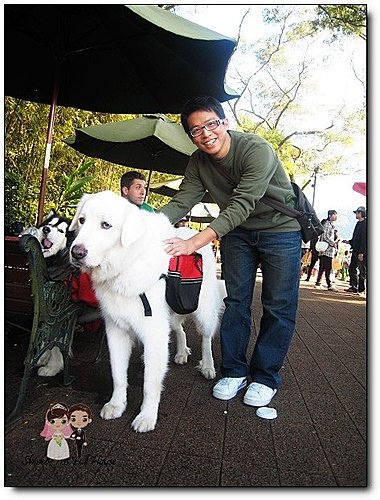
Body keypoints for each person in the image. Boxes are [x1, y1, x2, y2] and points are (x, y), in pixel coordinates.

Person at [159, 96, 301, 407]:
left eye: (211, 124)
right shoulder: (198, 162)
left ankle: (265, 376)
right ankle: (234, 370)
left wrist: (194, 243)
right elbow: (182, 202)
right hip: (237, 235)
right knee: (236, 302)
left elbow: (241, 204)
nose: (206, 134)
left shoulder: (255, 149)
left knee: (278, 306)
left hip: (280, 230)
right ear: (190, 136)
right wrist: (143, 226)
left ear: (225, 123)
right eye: (196, 130)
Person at [342, 206, 366, 294]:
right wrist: (349, 242)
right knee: (352, 268)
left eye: (357, 213)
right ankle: (354, 286)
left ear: (361, 213)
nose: (356, 214)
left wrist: (362, 252)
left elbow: (364, 239)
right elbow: (356, 238)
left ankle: (361, 288)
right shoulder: (358, 224)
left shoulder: (365, 224)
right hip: (355, 250)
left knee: (362, 270)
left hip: (361, 251)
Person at [314, 210, 338, 291]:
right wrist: (333, 243)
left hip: (325, 249)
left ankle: (318, 282)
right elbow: (325, 236)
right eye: (335, 215)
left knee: (323, 267)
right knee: (328, 267)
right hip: (327, 249)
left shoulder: (330, 224)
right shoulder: (327, 224)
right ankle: (329, 284)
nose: (336, 217)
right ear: (330, 215)